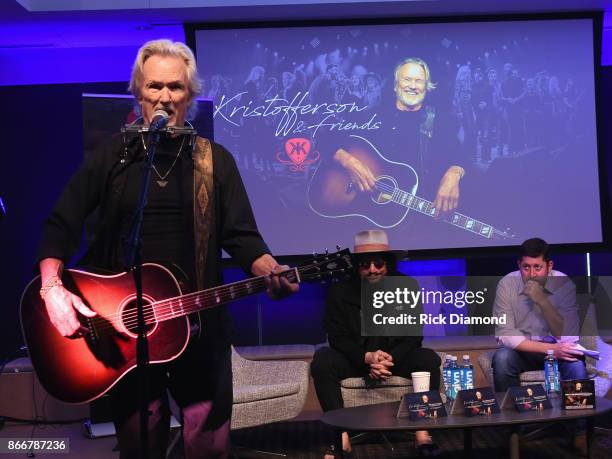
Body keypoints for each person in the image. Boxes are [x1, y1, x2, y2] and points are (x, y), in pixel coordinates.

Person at [36, 39, 297, 459]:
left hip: (199, 327)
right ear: (138, 92)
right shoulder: (112, 159)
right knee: (141, 446)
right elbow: (59, 225)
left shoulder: (215, 162)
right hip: (126, 335)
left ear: (189, 96)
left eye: (175, 88)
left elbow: (243, 237)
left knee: (208, 447)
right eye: (155, 86)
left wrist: (270, 269)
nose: (164, 97)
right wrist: (52, 289)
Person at [310, 229, 442, 457]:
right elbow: (337, 338)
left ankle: (422, 431)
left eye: (378, 264)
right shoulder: (339, 291)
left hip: (394, 359)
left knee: (428, 358)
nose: (372, 270)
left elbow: (414, 335)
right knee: (322, 360)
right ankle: (341, 436)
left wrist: (389, 359)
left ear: (388, 264)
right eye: (365, 265)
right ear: (357, 266)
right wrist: (367, 358)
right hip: (356, 359)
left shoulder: (407, 286)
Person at [332, 57, 467, 220]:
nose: (413, 85)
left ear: (427, 87)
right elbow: (325, 140)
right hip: (372, 215)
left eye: (419, 81)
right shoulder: (370, 117)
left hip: (419, 216)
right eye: (407, 79)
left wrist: (454, 173)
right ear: (396, 85)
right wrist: (349, 162)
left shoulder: (442, 121)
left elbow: (461, 155)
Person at [492, 238, 587, 451]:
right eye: (526, 267)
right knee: (502, 358)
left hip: (558, 349)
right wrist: (550, 349)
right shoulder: (507, 284)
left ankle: (579, 431)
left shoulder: (564, 283)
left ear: (549, 266)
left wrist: (543, 301)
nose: (532, 274)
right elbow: (505, 335)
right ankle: (515, 432)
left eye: (537, 267)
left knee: (576, 366)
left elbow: (568, 337)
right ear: (519, 265)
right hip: (525, 350)